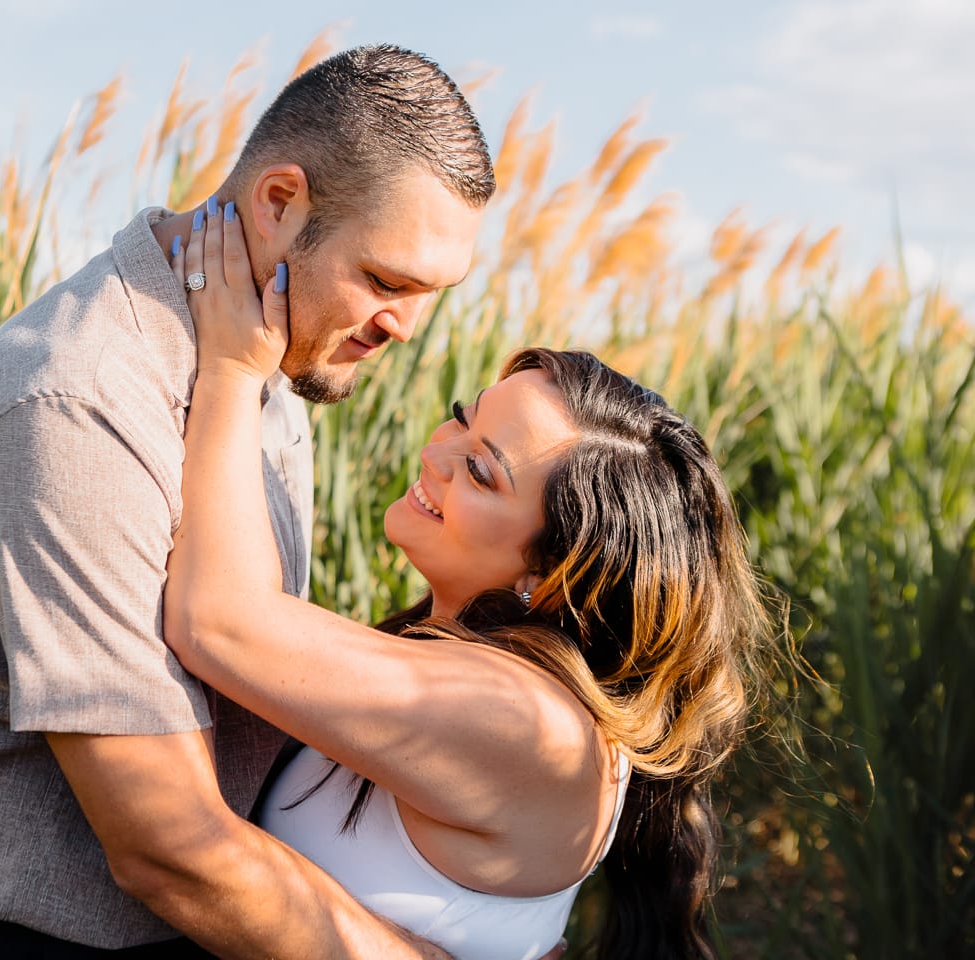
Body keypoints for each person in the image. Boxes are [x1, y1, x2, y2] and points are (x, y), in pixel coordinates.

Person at [0, 44, 520, 959]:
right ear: (279, 202)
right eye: (385, 281)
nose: (405, 329)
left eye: (429, 296)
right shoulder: (77, 406)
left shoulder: (267, 353)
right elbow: (164, 845)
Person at [162, 209, 785, 959]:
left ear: (550, 574)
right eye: (464, 418)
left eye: (484, 472)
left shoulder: (526, 722)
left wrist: (233, 368)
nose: (438, 451)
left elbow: (220, 620)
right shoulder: (459, 660)